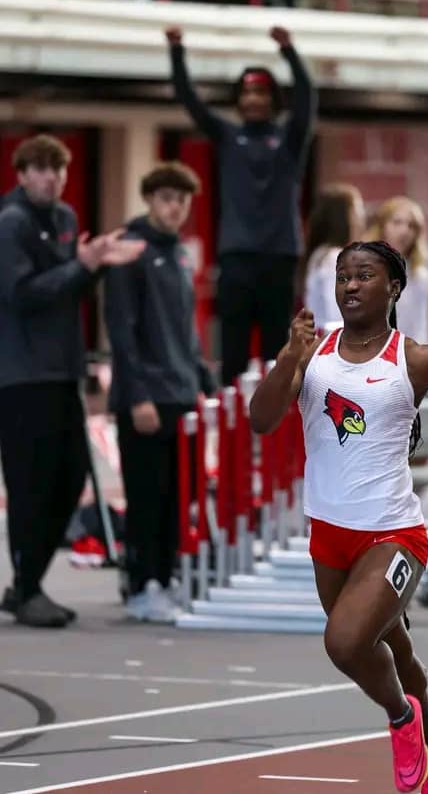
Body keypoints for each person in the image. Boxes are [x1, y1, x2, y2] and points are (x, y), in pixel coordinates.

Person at [249, 241, 428, 793]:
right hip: (329, 536)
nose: (351, 285)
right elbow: (261, 420)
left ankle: (402, 719)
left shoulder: (416, 359)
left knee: (345, 643)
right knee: (396, 650)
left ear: (393, 288)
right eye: (343, 276)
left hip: (393, 535)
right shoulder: (312, 352)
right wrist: (289, 358)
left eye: (364, 276)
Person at [0, 134, 144, 628]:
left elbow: (68, 290)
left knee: (71, 477)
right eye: (40, 169)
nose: (51, 178)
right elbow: (21, 294)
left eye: (58, 169)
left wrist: (95, 266)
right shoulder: (12, 222)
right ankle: (27, 586)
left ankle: (26, 583)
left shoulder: (64, 219)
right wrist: (82, 265)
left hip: (62, 368)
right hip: (21, 374)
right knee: (30, 484)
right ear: (22, 174)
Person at [165, 23, 317, 384]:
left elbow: (307, 98)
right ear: (238, 99)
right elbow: (190, 101)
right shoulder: (228, 137)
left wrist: (289, 52)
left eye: (261, 92)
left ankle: (274, 414)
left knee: (275, 352)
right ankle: (231, 412)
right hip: (236, 256)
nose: (253, 99)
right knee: (232, 351)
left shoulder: (289, 139)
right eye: (247, 93)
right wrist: (176, 52)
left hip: (279, 257)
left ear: (273, 99)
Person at [104, 162, 216, 622]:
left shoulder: (180, 254)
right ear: (150, 199)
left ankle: (165, 578)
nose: (175, 208)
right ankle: (141, 583)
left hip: (181, 393)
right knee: (147, 496)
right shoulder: (130, 250)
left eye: (182, 200)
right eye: (167, 198)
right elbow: (122, 329)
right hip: (146, 396)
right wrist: (137, 396)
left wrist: (204, 383)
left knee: (176, 497)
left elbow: (186, 331)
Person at [364, 197, 428, 343]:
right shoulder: (363, 266)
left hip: (405, 350)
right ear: (382, 226)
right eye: (397, 222)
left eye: (411, 226)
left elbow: (420, 328)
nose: (404, 231)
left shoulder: (420, 275)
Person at [301, 183, 365, 331]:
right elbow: (338, 312)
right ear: (342, 217)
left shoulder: (323, 254)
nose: (361, 217)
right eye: (356, 210)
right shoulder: (333, 258)